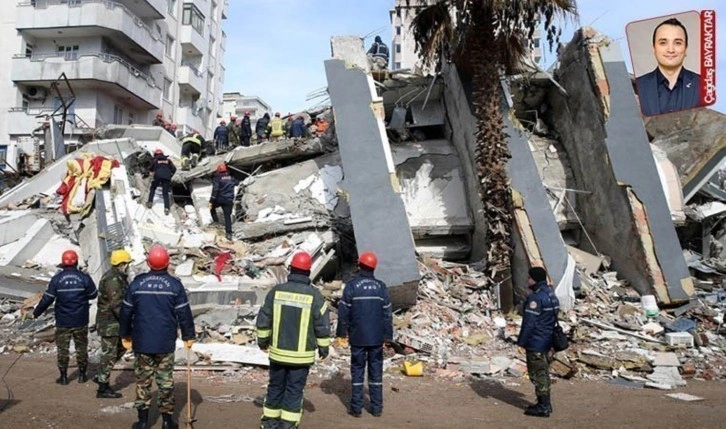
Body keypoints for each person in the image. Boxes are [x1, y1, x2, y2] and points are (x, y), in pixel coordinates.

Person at [120, 246, 195, 429]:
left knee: (143, 382)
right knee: (165, 382)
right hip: (165, 342)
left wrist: (125, 333)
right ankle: (167, 422)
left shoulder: (137, 284)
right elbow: (184, 313)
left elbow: (126, 311)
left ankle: (143, 422)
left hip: (142, 342)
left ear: (148, 263)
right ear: (167, 263)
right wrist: (188, 335)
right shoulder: (174, 285)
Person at [256, 252, 330, 429]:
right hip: (301, 358)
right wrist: (323, 348)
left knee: (275, 387)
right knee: (294, 390)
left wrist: (263, 341)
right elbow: (322, 325)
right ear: (308, 272)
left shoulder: (276, 292)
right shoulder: (315, 296)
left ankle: (269, 423)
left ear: (291, 269)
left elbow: (264, 319)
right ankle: (288, 424)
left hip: (278, 354)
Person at [336, 252, 392, 418]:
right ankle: (376, 408)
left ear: (359, 265)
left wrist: (341, 333)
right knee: (376, 372)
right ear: (374, 267)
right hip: (376, 339)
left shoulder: (352, 286)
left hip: (357, 338)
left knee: (357, 371)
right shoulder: (381, 287)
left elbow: (343, 312)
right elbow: (387, 314)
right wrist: (388, 337)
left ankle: (356, 408)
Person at [33, 250, 98, 385]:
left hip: (63, 321)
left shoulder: (57, 279)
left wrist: (37, 312)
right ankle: (82, 375)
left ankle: (63, 377)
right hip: (80, 320)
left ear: (63, 263)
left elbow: (47, 299)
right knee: (81, 348)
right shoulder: (84, 277)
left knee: (63, 349)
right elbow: (93, 294)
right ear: (76, 261)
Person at [636, 17, 702, 116]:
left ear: (686, 49)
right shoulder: (637, 86)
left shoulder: (705, 85)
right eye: (663, 43)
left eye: (678, 43)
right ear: (654, 48)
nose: (670, 50)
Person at [517, 267, 560, 418]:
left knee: (537, 374)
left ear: (534, 279)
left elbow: (529, 323)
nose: (527, 280)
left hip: (536, 341)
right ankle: (544, 403)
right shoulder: (551, 294)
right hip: (547, 340)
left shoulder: (535, 298)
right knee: (543, 371)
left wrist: (521, 342)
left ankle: (543, 406)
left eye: (529, 278)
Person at [94, 249, 133, 399]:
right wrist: (128, 322)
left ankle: (101, 374)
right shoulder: (113, 280)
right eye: (127, 264)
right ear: (122, 264)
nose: (129, 267)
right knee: (109, 354)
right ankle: (103, 387)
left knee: (120, 349)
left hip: (114, 323)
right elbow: (117, 305)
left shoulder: (119, 277)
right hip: (110, 324)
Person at [209, 163, 239, 241]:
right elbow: (237, 183)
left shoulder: (217, 178)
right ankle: (229, 234)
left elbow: (215, 189)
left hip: (219, 199)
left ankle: (216, 222)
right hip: (229, 200)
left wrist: (211, 201)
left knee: (211, 208)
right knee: (227, 217)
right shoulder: (231, 178)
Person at [146, 149, 176, 216]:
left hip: (158, 176)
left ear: (155, 155)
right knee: (165, 193)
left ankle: (150, 202)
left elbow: (150, 168)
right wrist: (170, 175)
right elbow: (174, 169)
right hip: (167, 177)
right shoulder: (168, 160)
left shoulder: (155, 160)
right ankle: (166, 208)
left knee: (153, 188)